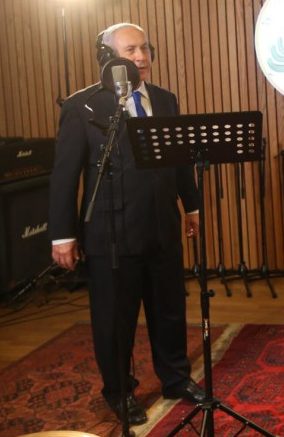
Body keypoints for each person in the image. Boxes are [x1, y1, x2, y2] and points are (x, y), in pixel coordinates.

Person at [49, 22, 205, 426]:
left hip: (161, 225)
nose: (140, 57)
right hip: (111, 233)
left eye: (144, 48)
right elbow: (65, 176)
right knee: (114, 319)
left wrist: (191, 206)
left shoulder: (165, 99)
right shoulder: (82, 106)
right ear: (108, 59)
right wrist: (62, 235)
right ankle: (119, 392)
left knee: (169, 309)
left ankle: (176, 378)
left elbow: (180, 158)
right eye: (130, 50)